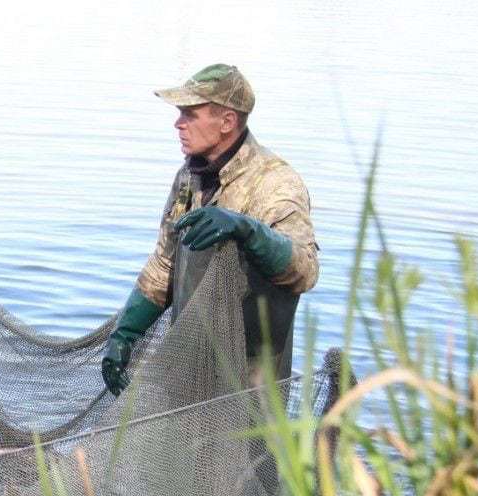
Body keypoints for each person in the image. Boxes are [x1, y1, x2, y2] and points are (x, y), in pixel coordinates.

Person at [101, 64, 319, 396]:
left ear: (227, 122)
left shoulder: (275, 183)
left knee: (247, 447)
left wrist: (247, 230)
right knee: (176, 445)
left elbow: (304, 271)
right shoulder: (189, 178)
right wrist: (125, 333)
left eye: (190, 114)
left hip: (249, 375)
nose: (178, 123)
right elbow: (165, 263)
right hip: (188, 359)